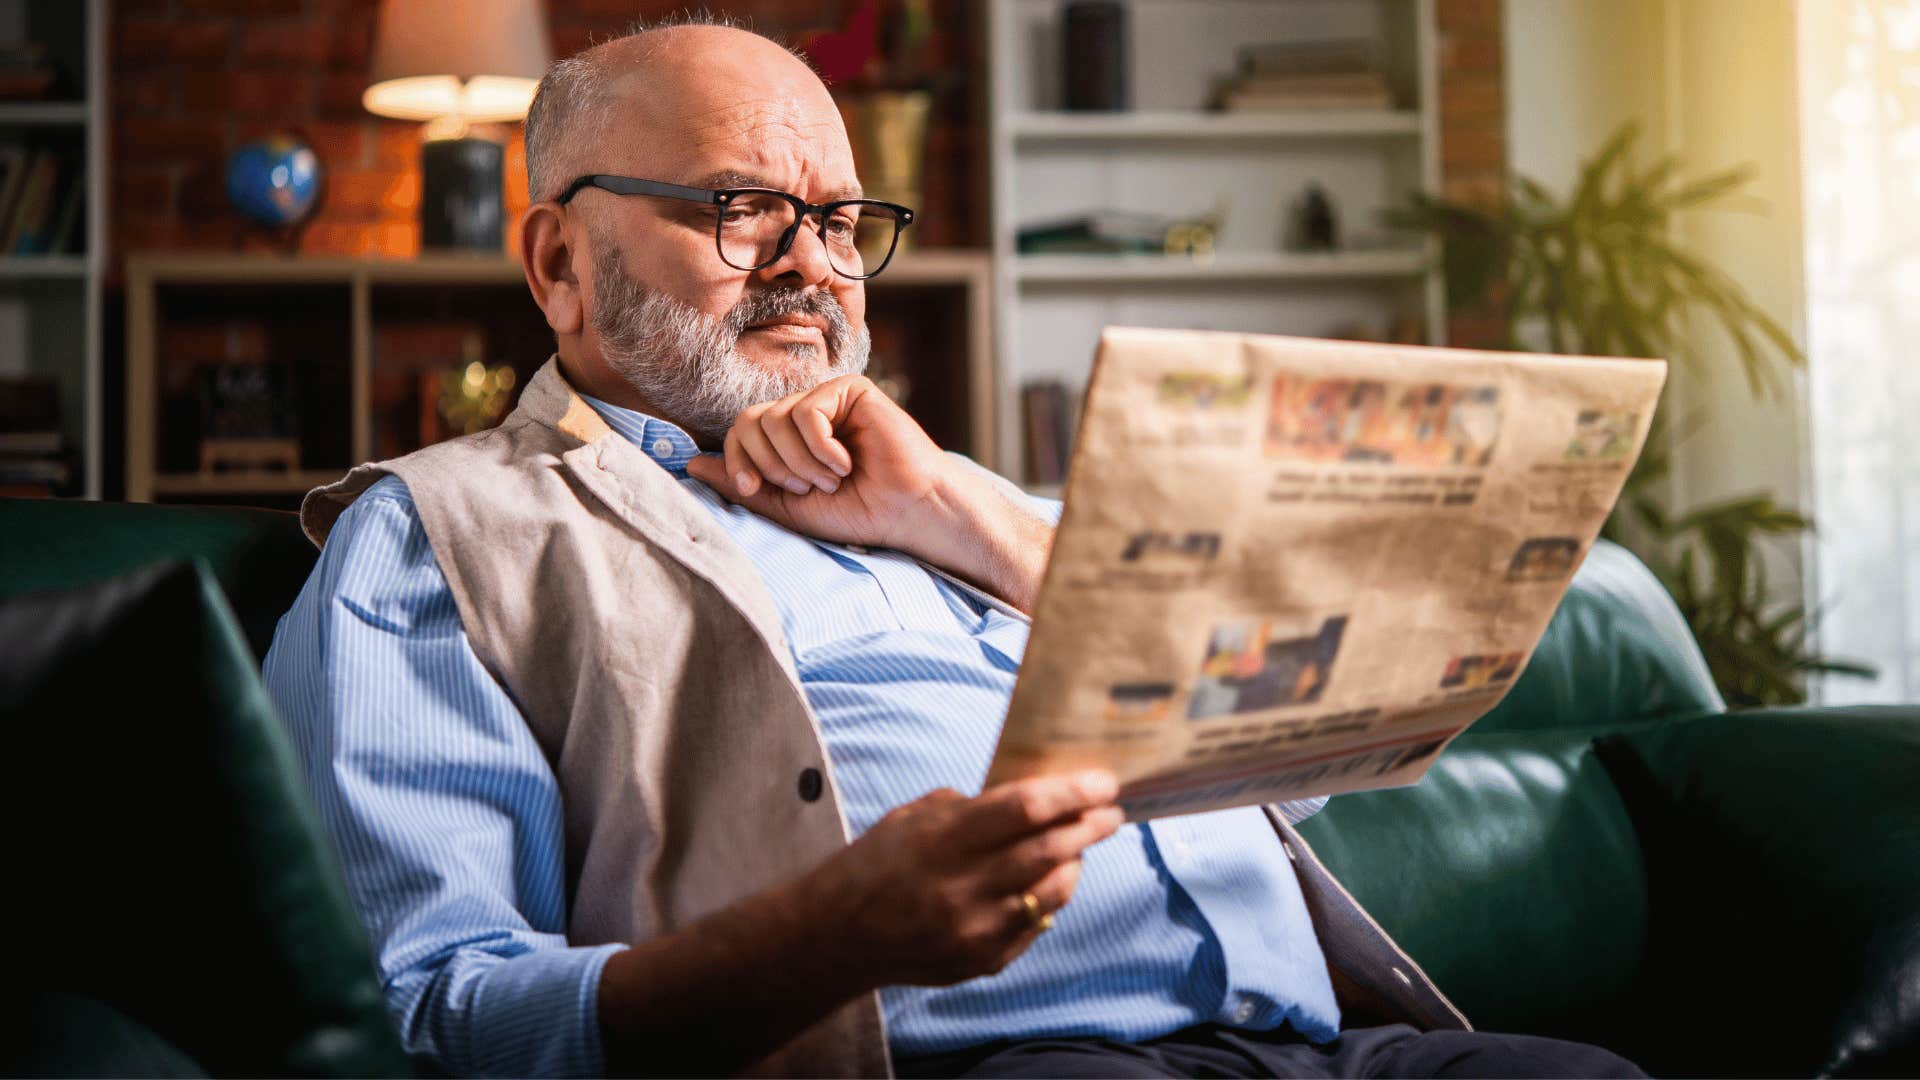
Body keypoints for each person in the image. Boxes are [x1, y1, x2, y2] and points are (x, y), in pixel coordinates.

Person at [264, 16, 1645, 1079]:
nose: (811, 261)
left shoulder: (939, 488)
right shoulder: (438, 536)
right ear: (559, 263)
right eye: (743, 208)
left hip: (1336, 1046)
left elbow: (1308, 764)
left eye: (841, 220)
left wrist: (963, 519)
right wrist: (836, 936)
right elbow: (428, 1013)